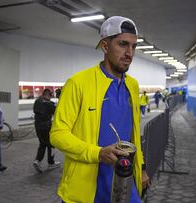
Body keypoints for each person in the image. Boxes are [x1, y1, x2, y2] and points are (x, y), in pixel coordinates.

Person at [50, 16, 150, 203]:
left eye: (133, 46)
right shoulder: (78, 83)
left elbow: (134, 135)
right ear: (105, 46)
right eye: (122, 44)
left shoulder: (133, 86)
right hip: (86, 190)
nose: (129, 52)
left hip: (125, 182)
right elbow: (57, 134)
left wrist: (142, 169)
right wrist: (97, 153)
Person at [33, 89, 60, 173]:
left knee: (42, 144)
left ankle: (37, 160)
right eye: (51, 95)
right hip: (46, 127)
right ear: (48, 95)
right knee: (51, 144)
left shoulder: (37, 101)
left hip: (38, 126)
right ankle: (51, 163)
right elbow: (57, 111)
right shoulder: (49, 104)